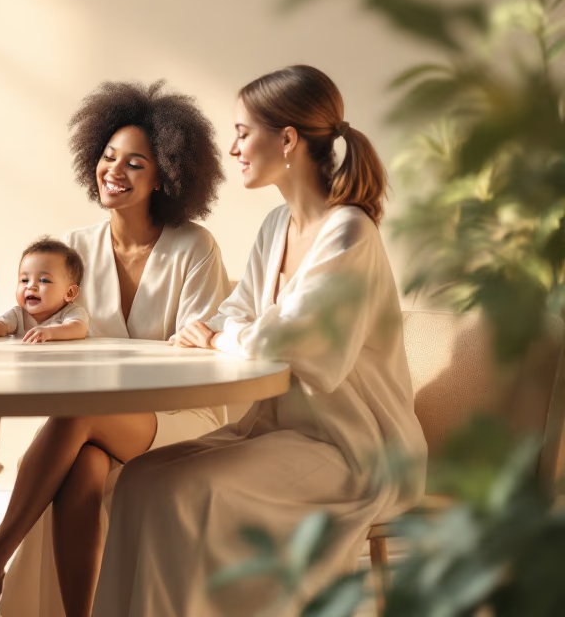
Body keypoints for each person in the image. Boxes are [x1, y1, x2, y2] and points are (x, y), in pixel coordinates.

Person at [91, 65, 427, 616]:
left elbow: (295, 344)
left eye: (244, 132)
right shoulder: (276, 226)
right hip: (277, 430)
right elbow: (239, 315)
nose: (233, 147)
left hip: (352, 449)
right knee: (139, 480)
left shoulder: (349, 232)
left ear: (288, 139)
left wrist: (227, 337)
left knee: (184, 493)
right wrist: (230, 333)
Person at [0, 81, 233, 617]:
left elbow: (200, 350)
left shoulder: (193, 247)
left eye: (136, 163)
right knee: (84, 466)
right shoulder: (74, 250)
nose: (115, 171)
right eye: (109, 157)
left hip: (181, 415)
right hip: (96, 424)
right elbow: (33, 326)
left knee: (79, 412)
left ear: (166, 177)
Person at [0, 238, 89, 343]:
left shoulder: (72, 313)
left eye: (44, 280)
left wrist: (50, 333)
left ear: (70, 293)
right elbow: (2, 324)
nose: (31, 286)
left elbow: (77, 328)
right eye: (24, 280)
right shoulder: (18, 314)